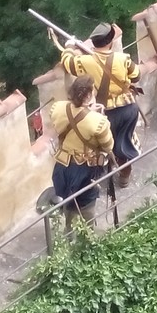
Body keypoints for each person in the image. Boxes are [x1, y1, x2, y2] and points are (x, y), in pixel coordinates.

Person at [53, 22, 141, 189]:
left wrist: (70, 45)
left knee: (100, 147)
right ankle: (125, 174)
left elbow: (68, 62)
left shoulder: (84, 61)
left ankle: (98, 177)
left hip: (103, 113)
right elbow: (136, 76)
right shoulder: (123, 59)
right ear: (111, 41)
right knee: (124, 142)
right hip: (127, 109)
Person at [50, 75, 114, 232]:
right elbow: (108, 146)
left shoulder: (57, 108)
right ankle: (87, 234)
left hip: (62, 165)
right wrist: (94, 114)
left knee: (66, 200)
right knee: (86, 202)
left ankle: (69, 231)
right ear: (88, 95)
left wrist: (87, 111)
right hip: (84, 168)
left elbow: (70, 118)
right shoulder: (98, 121)